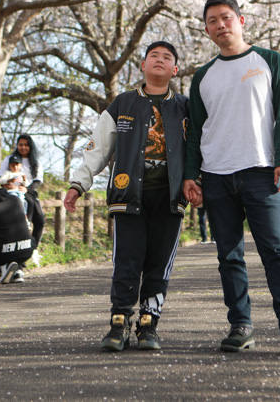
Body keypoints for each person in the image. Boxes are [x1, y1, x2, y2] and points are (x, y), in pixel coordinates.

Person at [182, 0, 280, 354]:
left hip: (261, 170)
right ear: (207, 29)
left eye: (226, 17)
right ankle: (240, 325)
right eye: (212, 21)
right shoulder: (203, 77)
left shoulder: (269, 61)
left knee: (275, 250)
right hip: (216, 174)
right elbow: (195, 131)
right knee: (228, 255)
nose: (219, 25)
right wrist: (190, 175)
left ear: (241, 21)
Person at [65, 41, 188, 352]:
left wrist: (198, 182)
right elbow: (98, 148)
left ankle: (149, 322)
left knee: (160, 262)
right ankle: (119, 320)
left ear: (175, 70)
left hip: (170, 197)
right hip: (128, 195)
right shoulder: (122, 104)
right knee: (127, 260)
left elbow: (199, 150)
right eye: (154, 56)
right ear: (143, 66)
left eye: (167, 58)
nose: (160, 61)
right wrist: (78, 184)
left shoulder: (185, 107)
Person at [0, 134, 45, 265]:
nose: (23, 147)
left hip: (29, 192)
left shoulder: (35, 161)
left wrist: (27, 189)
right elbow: (1, 176)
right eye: (21, 145)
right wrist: (8, 185)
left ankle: (33, 248)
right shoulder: (10, 159)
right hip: (13, 193)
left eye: (26, 145)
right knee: (21, 225)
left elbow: (37, 181)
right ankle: (19, 255)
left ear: (30, 146)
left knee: (40, 220)